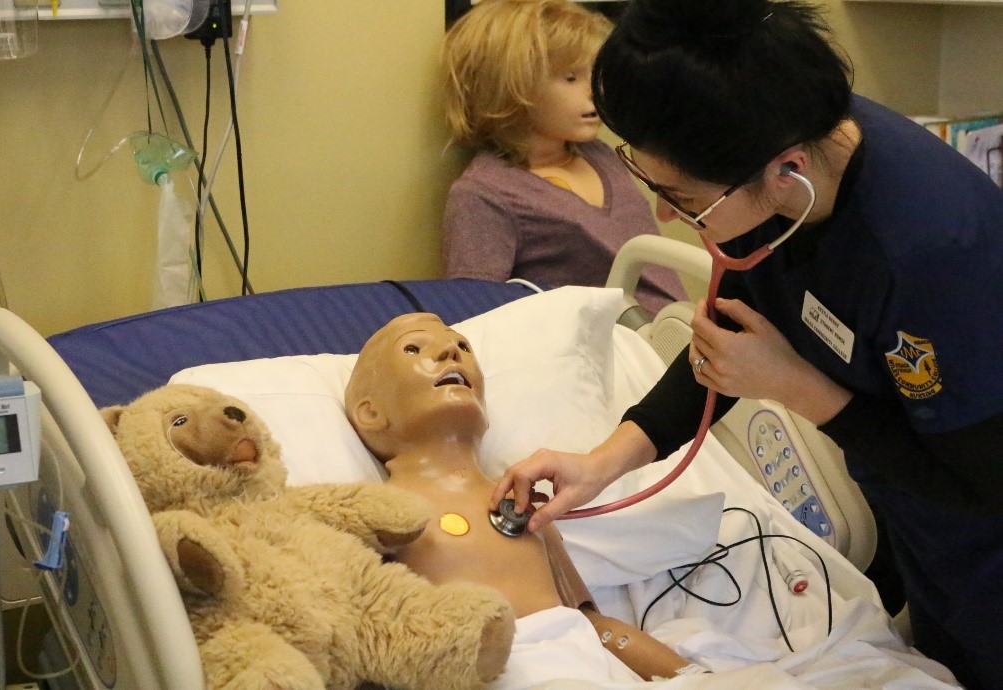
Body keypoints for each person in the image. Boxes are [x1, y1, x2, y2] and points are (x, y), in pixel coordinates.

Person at [489, 1, 1003, 689]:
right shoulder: (759, 141)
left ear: (786, 170)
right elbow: (727, 336)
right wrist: (607, 459)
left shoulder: (931, 251)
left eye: (679, 194)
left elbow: (982, 480)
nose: (667, 215)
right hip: (917, 518)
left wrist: (796, 388)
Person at [343, 312, 703, 684]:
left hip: (584, 668)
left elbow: (595, 628)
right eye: (414, 348)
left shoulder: (521, 507)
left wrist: (695, 677)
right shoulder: (375, 514)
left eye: (463, 346)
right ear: (370, 413)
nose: (451, 350)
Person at [440, 0, 686, 317]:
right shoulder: (485, 195)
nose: (595, 91)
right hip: (601, 353)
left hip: (676, 334)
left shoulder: (602, 155)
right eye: (570, 78)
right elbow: (473, 318)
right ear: (509, 86)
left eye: (595, 74)